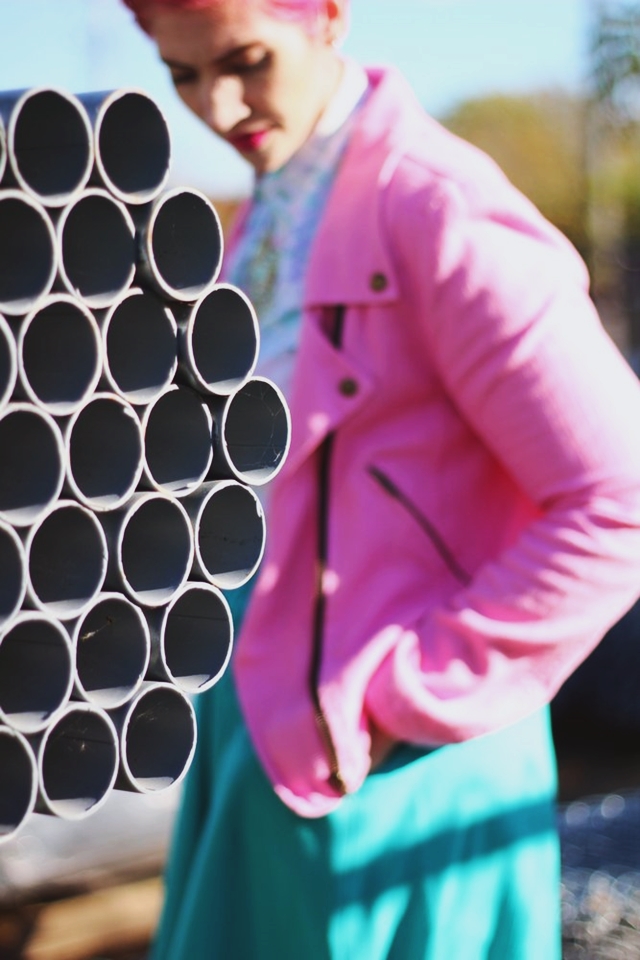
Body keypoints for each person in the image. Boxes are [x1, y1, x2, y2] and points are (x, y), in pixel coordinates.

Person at [122, 1, 640, 957]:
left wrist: (393, 699)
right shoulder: (270, 206)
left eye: (246, 59)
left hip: (398, 762)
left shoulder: (437, 207)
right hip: (263, 732)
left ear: (328, 17)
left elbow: (621, 502)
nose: (222, 106)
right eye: (183, 75)